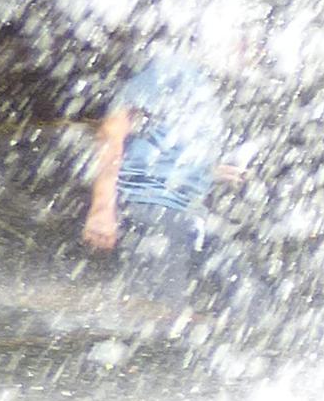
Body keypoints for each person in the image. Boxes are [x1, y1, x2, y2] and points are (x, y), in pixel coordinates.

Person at [81, 30, 253, 313]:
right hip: (152, 209)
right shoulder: (172, 69)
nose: (250, 54)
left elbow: (166, 145)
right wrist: (102, 208)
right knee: (155, 318)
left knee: (247, 297)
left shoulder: (205, 85)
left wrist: (208, 170)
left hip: (185, 214)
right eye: (244, 42)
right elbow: (113, 130)